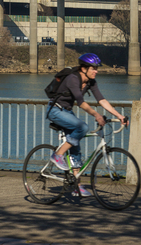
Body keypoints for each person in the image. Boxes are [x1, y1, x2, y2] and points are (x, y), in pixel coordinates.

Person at [47, 53, 127, 197]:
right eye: (93, 68)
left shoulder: (91, 82)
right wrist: (96, 115)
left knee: (76, 149)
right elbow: (81, 102)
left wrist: (119, 116)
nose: (96, 71)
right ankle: (57, 155)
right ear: (84, 68)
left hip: (66, 112)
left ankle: (77, 187)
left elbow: (101, 100)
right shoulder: (73, 79)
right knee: (83, 127)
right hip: (55, 110)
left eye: (96, 68)